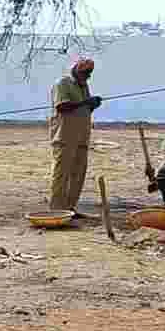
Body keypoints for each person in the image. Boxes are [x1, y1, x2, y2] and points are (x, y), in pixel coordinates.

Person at [48, 58, 103, 216]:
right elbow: (62, 106)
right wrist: (86, 102)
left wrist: (92, 105)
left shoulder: (84, 85)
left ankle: (70, 209)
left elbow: (83, 108)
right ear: (76, 70)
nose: (88, 76)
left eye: (89, 73)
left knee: (78, 174)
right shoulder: (62, 84)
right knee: (61, 174)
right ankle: (57, 210)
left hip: (82, 136)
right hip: (64, 136)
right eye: (85, 73)